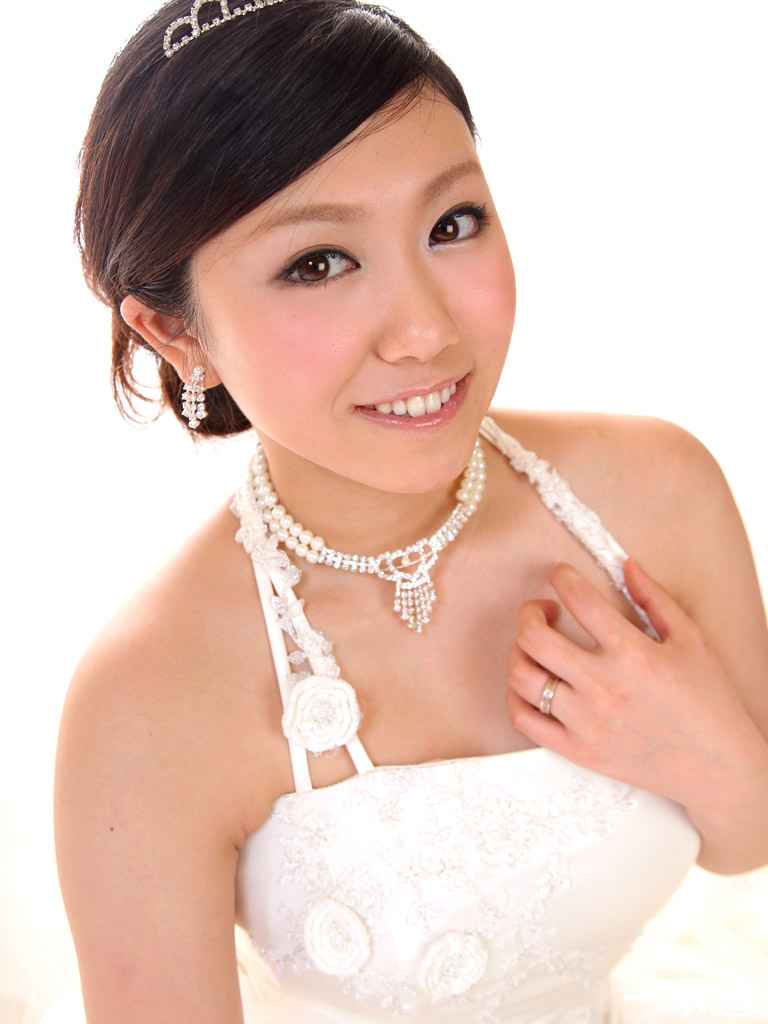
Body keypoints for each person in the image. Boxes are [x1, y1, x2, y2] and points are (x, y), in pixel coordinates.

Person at [54, 1, 768, 1022]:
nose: (426, 331)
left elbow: (747, 842)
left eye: (450, 225)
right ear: (178, 335)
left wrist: (709, 753)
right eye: (317, 263)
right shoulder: (147, 699)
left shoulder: (657, 493)